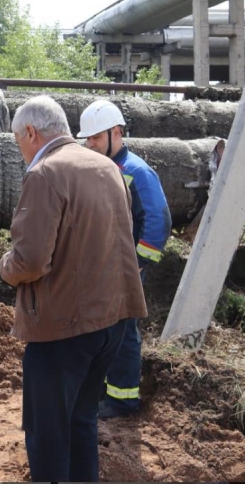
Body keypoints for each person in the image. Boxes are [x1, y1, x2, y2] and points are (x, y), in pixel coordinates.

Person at [0, 95, 147, 482]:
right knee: (82, 420)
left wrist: (5, 266)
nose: (21, 151)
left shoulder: (45, 173)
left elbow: (30, 262)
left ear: (30, 131)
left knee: (47, 433)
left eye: (18, 141)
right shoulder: (106, 166)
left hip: (62, 329)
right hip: (111, 322)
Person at [78, 99, 172, 419]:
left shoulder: (137, 171)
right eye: (86, 139)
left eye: (94, 138)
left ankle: (123, 400)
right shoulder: (103, 168)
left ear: (116, 133)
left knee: (123, 331)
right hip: (103, 269)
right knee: (104, 329)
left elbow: (159, 220)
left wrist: (138, 263)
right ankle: (106, 388)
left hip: (124, 270)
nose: (89, 144)